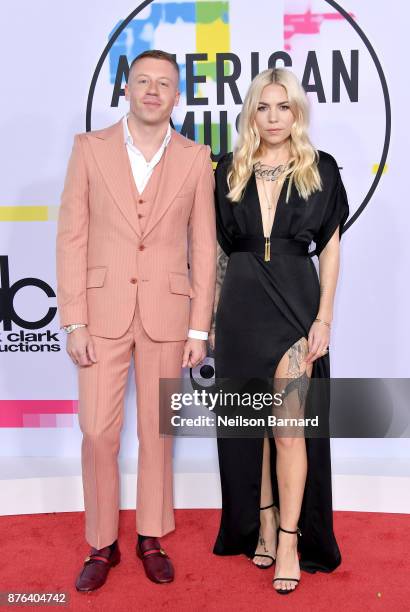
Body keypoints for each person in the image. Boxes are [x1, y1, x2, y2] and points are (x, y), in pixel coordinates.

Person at [56, 49, 216, 591]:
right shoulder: (89, 149)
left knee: (157, 432)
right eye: (143, 80)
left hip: (169, 315)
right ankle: (102, 542)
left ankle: (151, 535)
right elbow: (71, 238)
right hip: (99, 314)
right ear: (125, 89)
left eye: (164, 83)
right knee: (98, 431)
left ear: (177, 96)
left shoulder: (196, 159)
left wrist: (199, 327)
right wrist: (73, 320)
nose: (153, 90)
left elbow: (204, 244)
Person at [209, 67, 349, 595]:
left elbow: (331, 247)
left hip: (296, 307)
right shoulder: (228, 169)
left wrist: (324, 318)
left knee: (288, 429)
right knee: (253, 428)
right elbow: (219, 250)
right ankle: (263, 522)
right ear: (252, 113)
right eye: (263, 107)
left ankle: (290, 538)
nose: (273, 118)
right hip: (241, 310)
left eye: (283, 107)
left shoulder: (322, 169)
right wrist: (213, 317)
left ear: (297, 112)